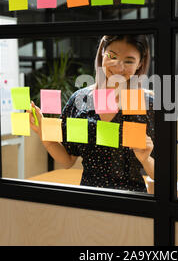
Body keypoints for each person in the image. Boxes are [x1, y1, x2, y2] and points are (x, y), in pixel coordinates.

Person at [28, 35, 155, 193]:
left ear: (140, 63)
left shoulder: (149, 104)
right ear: (102, 53)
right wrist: (43, 133)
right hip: (88, 199)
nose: (118, 67)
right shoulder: (81, 100)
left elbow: (163, 174)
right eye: (112, 56)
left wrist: (146, 159)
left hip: (131, 203)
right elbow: (68, 160)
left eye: (129, 61)